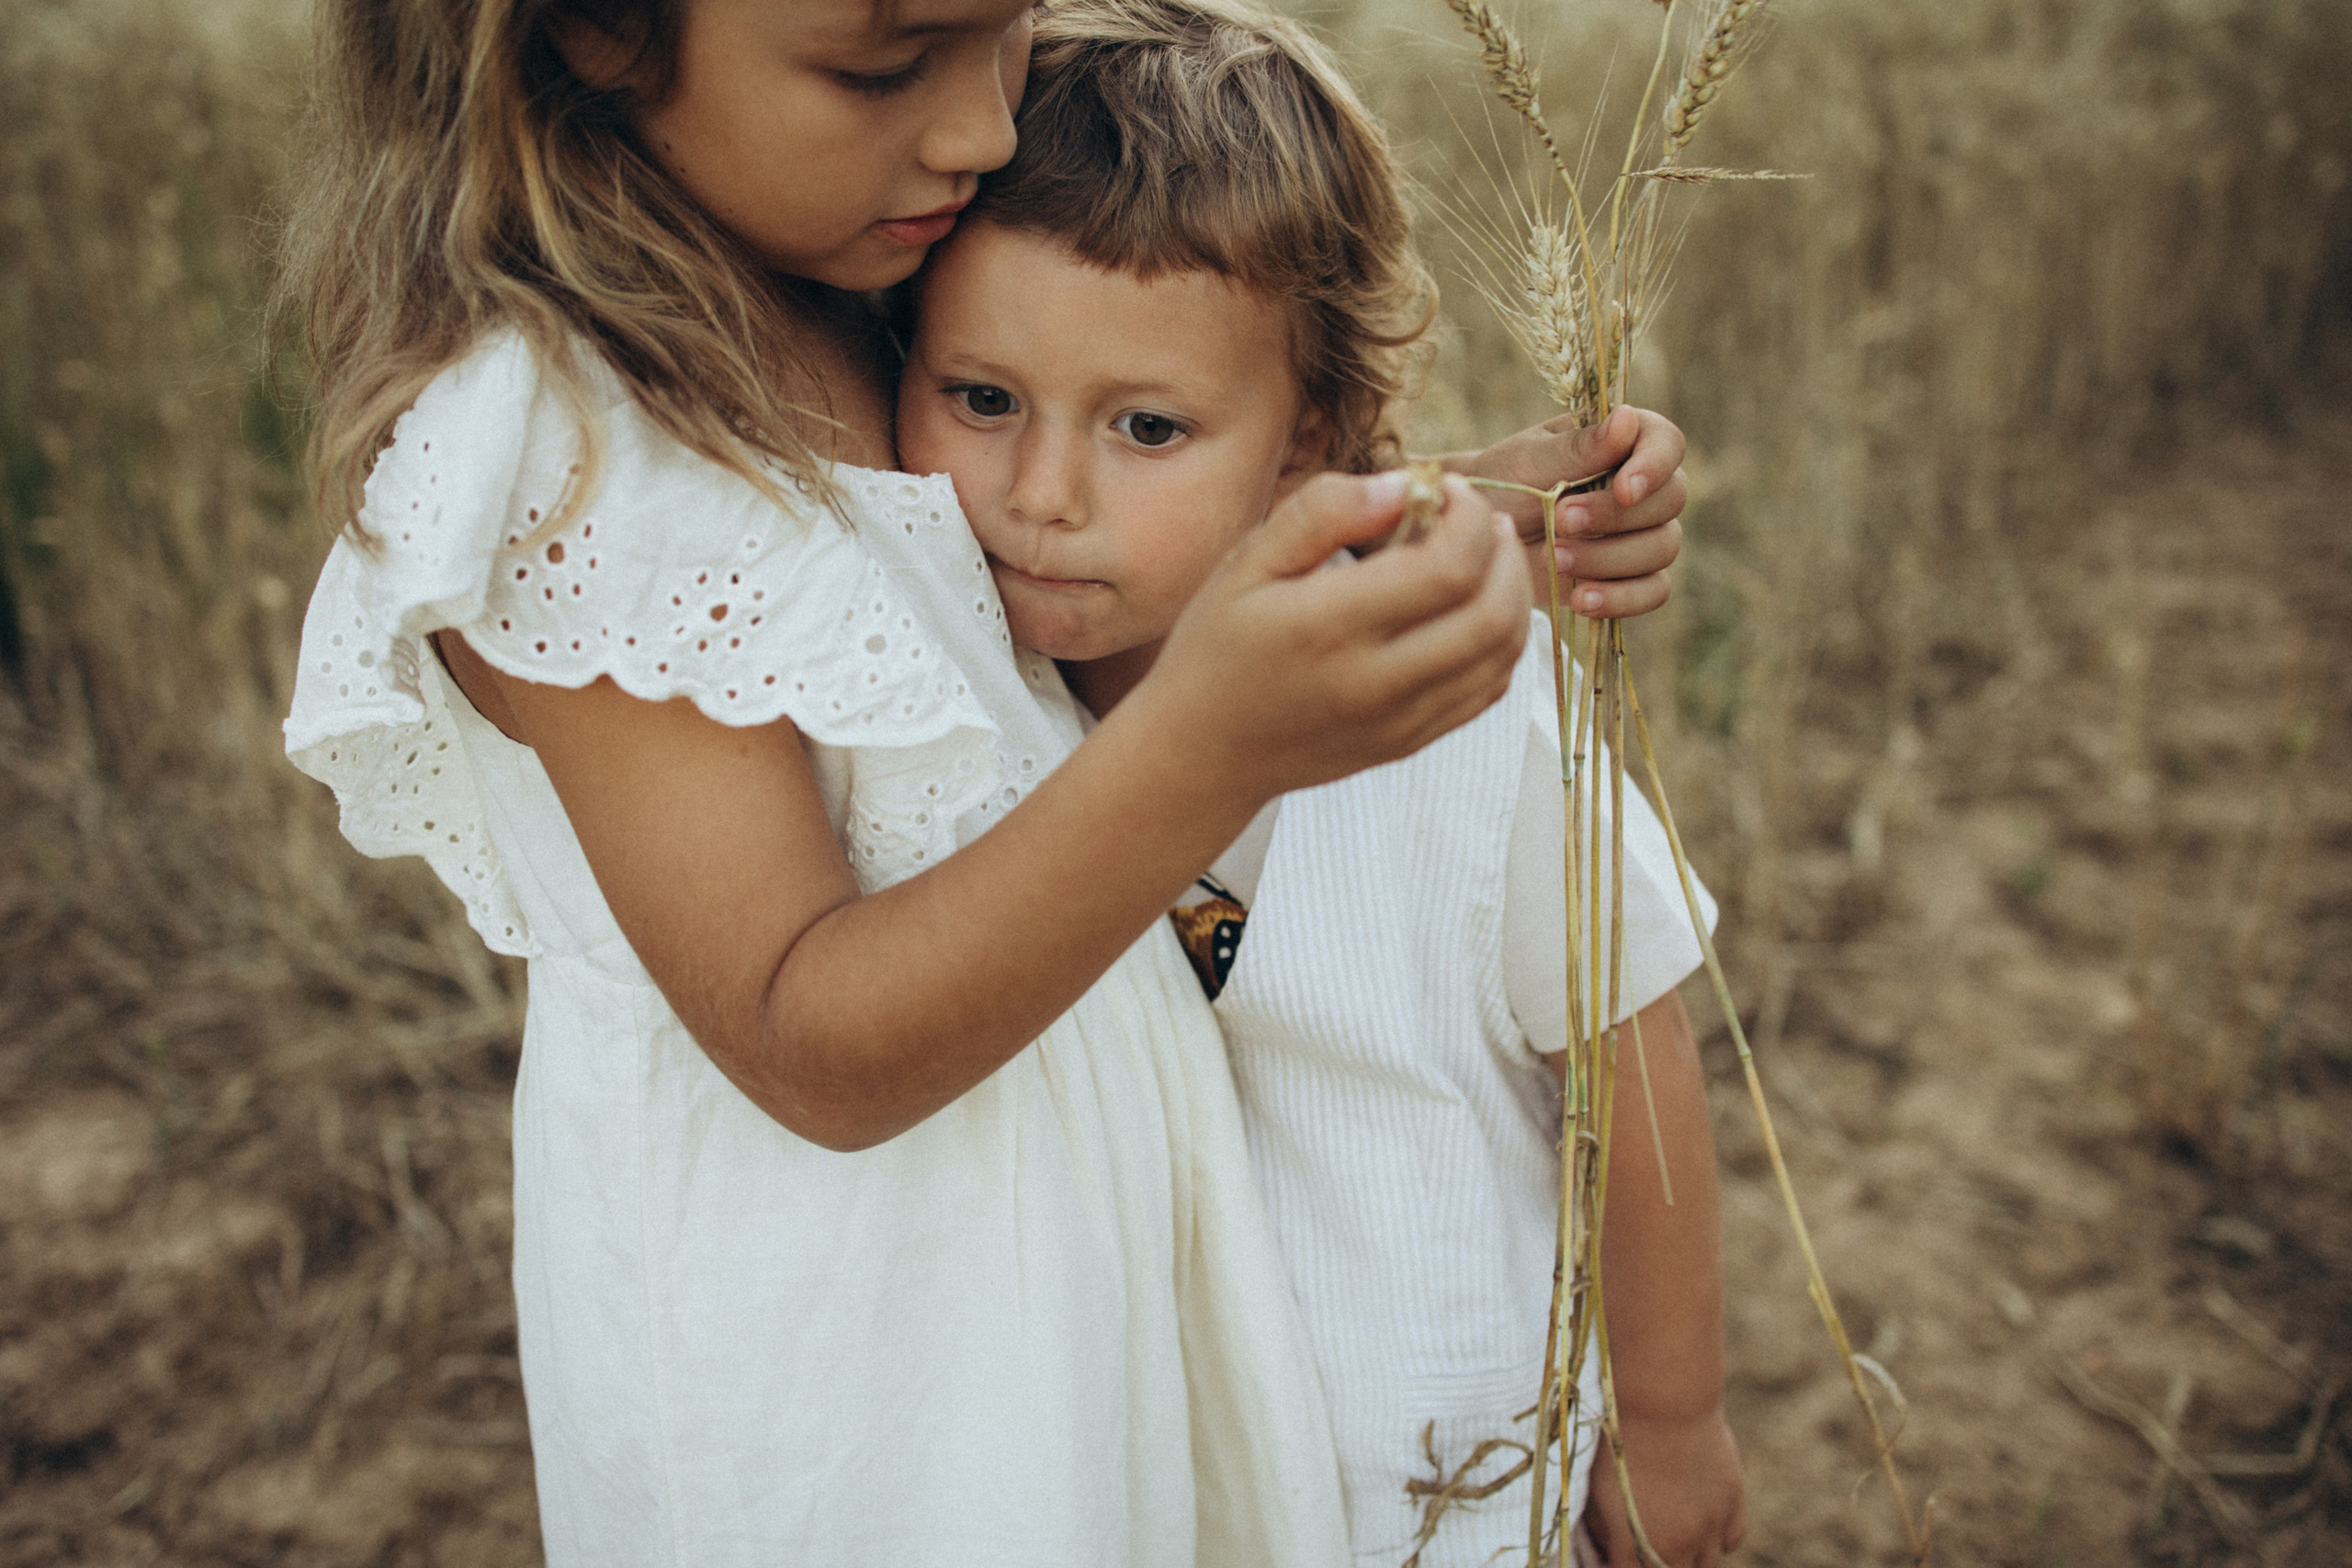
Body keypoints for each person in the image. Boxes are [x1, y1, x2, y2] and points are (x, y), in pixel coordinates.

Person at [273, 0, 1690, 1562]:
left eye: (1006, 34)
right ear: (597, 34)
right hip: (860, 1389)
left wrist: (1456, 518)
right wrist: (1212, 742)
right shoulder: (579, 462)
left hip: (1076, 1327)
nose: (983, 133)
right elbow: (808, 1041)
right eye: (887, 65)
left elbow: (1092, 520)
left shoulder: (864, 259)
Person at [892, 3, 1745, 1563]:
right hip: (1132, 1490)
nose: (1040, 496)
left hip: (1430, 1482)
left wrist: (1673, 1417)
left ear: (1310, 450)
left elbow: (1630, 1060)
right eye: (981, 399)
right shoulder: (945, 703)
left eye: (1148, 427)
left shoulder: (1472, 712)